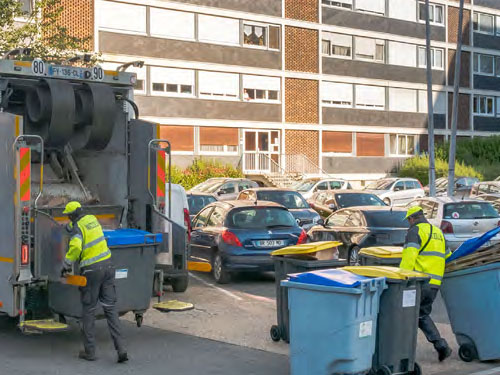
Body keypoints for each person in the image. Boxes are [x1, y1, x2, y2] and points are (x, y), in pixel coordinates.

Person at [61, 201, 128, 363]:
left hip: (92, 272)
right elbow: (83, 230)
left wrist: (66, 264)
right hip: (108, 266)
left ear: (72, 215)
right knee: (110, 310)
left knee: (89, 311)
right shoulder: (92, 219)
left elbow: (76, 247)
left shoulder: (77, 228)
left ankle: (90, 352)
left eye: (69, 216)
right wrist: (70, 228)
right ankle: (121, 349)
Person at [400, 206, 452, 362]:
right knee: (421, 314)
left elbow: (409, 257)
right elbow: (447, 256)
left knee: (407, 314)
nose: (408, 223)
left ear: (412, 218)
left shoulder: (415, 231)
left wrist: (402, 278)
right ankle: (440, 345)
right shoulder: (438, 232)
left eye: (408, 220)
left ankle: (401, 352)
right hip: (435, 282)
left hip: (419, 281)